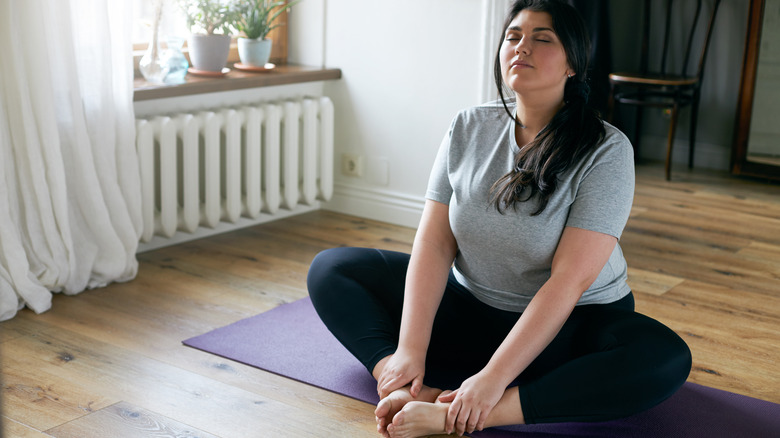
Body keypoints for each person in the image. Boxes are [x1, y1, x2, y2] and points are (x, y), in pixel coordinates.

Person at [307, 1, 692, 437]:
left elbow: (569, 282)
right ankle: (404, 385)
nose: (521, 47)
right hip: (472, 310)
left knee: (664, 357)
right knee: (333, 269)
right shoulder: (468, 126)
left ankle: (475, 411)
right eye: (513, 37)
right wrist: (408, 353)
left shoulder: (606, 149)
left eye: (542, 38)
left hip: (566, 329)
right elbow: (434, 244)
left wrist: (490, 384)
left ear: (573, 64)